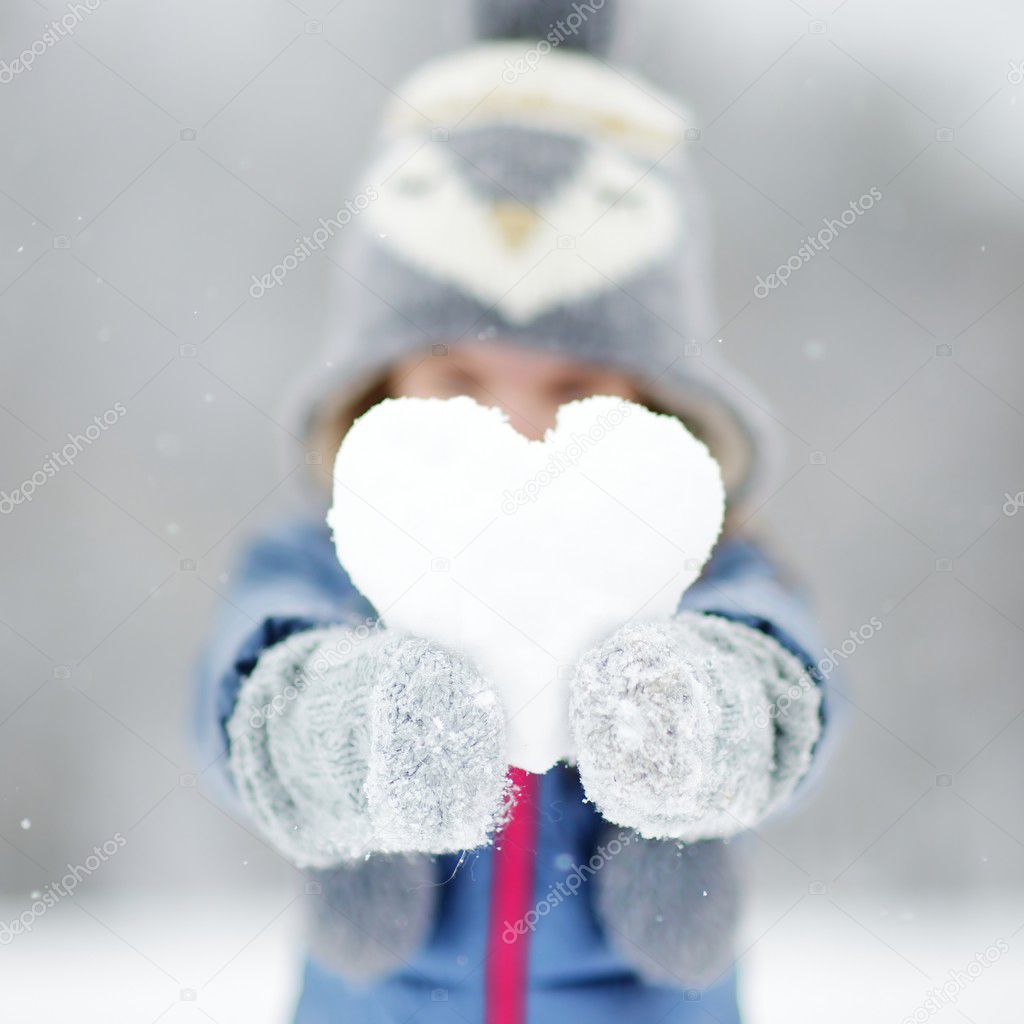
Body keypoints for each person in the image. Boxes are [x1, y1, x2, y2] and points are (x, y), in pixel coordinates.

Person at [193, 3, 827, 1020]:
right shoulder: (325, 563)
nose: (515, 418)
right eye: (460, 372)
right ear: (378, 382)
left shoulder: (703, 571)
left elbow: (785, 685)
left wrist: (699, 712)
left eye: (575, 380)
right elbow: (241, 697)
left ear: (656, 401)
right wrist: (346, 727)